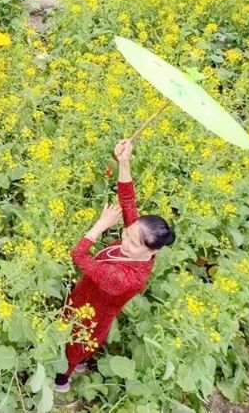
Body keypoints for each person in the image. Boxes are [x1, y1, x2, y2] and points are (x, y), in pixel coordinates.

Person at [54, 139, 176, 392]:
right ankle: (75, 364)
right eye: (127, 232)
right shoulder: (138, 235)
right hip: (84, 292)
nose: (124, 240)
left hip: (92, 311)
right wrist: (124, 162)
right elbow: (128, 202)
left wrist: (100, 225)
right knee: (71, 336)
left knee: (77, 342)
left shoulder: (126, 277)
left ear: (150, 251)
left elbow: (78, 255)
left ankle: (62, 381)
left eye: (132, 243)